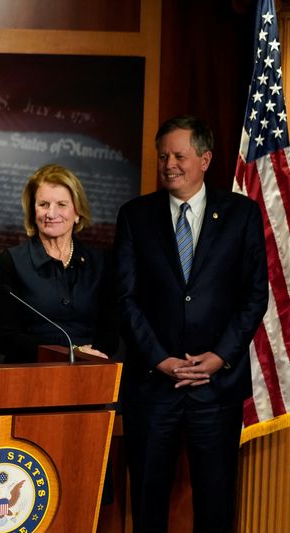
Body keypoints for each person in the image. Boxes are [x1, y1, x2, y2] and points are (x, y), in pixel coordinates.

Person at [115, 115, 268, 532]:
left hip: (215, 388)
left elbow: (255, 296)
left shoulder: (242, 214)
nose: (169, 164)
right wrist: (160, 359)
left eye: (179, 155)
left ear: (205, 158)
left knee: (215, 506)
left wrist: (220, 357)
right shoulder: (135, 216)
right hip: (153, 385)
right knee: (147, 505)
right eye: (163, 155)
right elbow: (125, 299)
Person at [0, 163, 117, 363]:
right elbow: (7, 338)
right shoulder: (12, 261)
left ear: (77, 212)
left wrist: (89, 357)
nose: (51, 214)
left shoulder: (100, 263)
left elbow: (111, 334)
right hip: (30, 372)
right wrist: (71, 352)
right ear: (33, 211)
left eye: (61, 204)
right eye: (43, 205)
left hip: (90, 372)